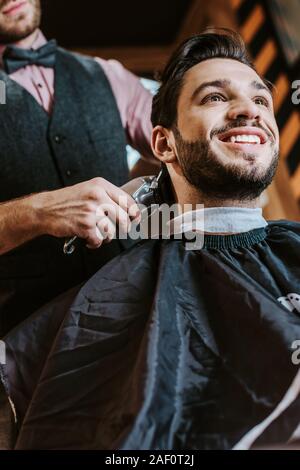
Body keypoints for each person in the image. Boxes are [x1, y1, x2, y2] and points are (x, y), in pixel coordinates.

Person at [1, 29, 300, 450]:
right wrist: (35, 211)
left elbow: (192, 142)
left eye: (260, 99)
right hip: (58, 331)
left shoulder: (105, 77)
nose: (248, 111)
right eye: (216, 96)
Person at [0, 0, 157, 336]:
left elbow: (178, 147)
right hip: (29, 338)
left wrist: (137, 190)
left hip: (135, 313)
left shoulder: (109, 75)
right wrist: (37, 210)